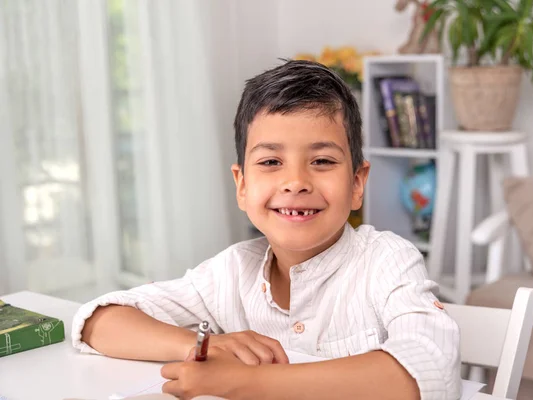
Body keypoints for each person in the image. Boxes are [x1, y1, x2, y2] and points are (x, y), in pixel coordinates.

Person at [72, 60, 461, 400]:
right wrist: (205, 344)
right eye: (271, 161)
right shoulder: (230, 271)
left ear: (357, 183)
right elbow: (97, 322)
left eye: (322, 160)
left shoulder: (387, 261)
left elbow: (430, 370)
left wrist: (244, 383)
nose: (295, 182)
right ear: (242, 186)